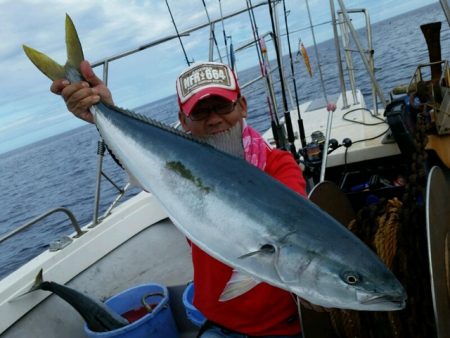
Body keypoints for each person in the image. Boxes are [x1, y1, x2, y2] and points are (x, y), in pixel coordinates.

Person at [51, 60, 307, 338]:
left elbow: (300, 233)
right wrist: (101, 110)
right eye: (199, 113)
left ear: (242, 106)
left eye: (223, 106)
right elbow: (140, 168)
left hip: (282, 328)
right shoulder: (176, 171)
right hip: (215, 327)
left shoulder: (278, 166)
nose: (213, 119)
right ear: (183, 122)